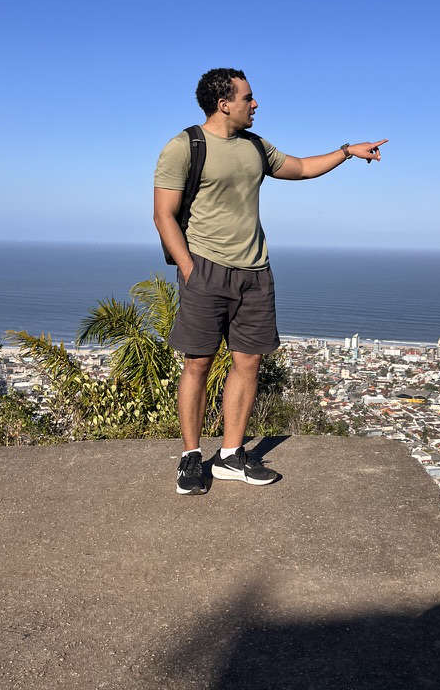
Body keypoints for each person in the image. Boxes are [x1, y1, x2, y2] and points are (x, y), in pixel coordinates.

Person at [153, 67, 387, 495]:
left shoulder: (255, 146)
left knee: (249, 362)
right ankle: (190, 458)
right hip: (206, 270)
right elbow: (163, 215)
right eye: (248, 97)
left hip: (256, 273)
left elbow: (299, 168)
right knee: (197, 364)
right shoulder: (184, 146)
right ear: (224, 103)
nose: (255, 104)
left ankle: (229, 455)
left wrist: (346, 152)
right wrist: (190, 270)